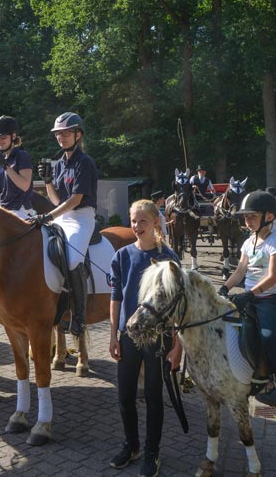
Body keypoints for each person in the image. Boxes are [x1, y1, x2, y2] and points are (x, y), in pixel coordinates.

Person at [108, 199, 182, 477]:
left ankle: (152, 452)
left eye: (142, 221)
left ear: (155, 223)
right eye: (133, 221)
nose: (136, 226)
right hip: (128, 335)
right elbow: (116, 298)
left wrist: (177, 346)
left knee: (153, 395)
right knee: (125, 394)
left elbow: (176, 307)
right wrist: (114, 334)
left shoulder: (169, 258)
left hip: (158, 338)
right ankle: (132, 445)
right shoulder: (122, 256)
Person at [219, 190, 276, 407]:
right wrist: (224, 287)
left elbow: (272, 277)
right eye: (245, 217)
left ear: (268, 217)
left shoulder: (274, 244)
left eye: (252, 217)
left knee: (268, 336)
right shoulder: (248, 242)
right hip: (249, 299)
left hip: (268, 300)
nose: (247, 221)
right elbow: (240, 270)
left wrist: (250, 294)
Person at [34, 112, 98, 337]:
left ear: (78, 134)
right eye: (58, 134)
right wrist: (48, 181)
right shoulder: (59, 163)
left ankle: (79, 318)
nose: (61, 137)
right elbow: (57, 200)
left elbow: (75, 200)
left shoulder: (85, 162)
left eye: (66, 133)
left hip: (81, 217)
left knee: (72, 260)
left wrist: (48, 217)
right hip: (62, 214)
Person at [0, 116, 34, 219]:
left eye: (3, 137)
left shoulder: (22, 155)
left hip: (20, 210)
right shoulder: (3, 158)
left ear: (13, 136)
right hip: (4, 210)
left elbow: (25, 185)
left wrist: (5, 166)